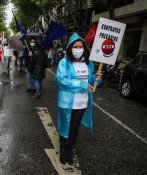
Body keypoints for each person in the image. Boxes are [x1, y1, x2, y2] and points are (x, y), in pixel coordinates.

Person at [55, 33, 101, 165]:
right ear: (70, 48)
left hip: (82, 103)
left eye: (81, 46)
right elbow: (61, 81)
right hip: (66, 102)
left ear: (84, 48)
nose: (78, 49)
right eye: (75, 46)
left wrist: (98, 78)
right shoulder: (64, 63)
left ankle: (69, 150)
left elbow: (91, 81)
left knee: (74, 128)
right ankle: (63, 149)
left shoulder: (89, 63)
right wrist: (82, 84)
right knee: (65, 126)